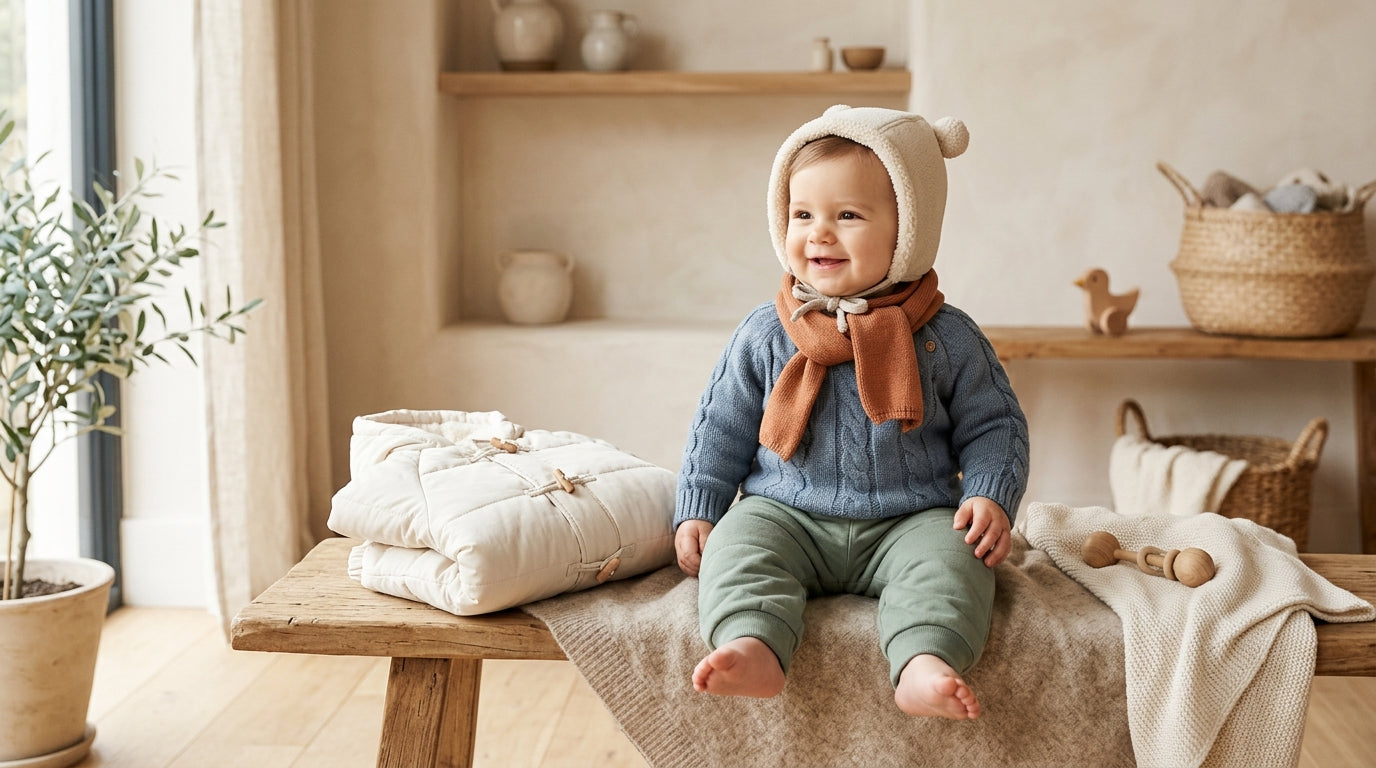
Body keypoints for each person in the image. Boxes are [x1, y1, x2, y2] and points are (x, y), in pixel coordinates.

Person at [673, 105, 1029, 721]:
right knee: (740, 546)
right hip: (786, 513)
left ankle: (924, 659)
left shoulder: (946, 337)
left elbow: (995, 425)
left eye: (848, 215)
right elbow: (720, 429)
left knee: (953, 565)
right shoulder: (767, 332)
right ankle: (752, 642)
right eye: (802, 214)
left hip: (910, 517)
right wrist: (700, 508)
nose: (819, 233)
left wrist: (991, 496)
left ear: (908, 229)